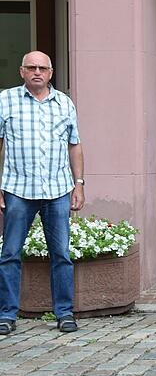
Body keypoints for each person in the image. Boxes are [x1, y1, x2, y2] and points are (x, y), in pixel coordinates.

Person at [0, 51, 85, 335]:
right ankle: (6, 314)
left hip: (58, 189)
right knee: (10, 253)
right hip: (17, 190)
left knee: (61, 254)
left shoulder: (65, 103)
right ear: (22, 71)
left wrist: (79, 184)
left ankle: (64, 312)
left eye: (42, 68)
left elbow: (75, 145)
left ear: (50, 73)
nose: (37, 72)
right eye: (31, 67)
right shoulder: (6, 100)